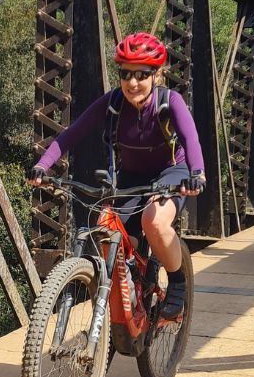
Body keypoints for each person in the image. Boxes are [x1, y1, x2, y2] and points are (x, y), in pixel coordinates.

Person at [27, 32, 205, 319]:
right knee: (111, 234)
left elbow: (191, 138)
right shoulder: (113, 103)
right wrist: (42, 166)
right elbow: (71, 135)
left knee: (154, 222)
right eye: (125, 74)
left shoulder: (169, 102)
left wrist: (197, 174)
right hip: (132, 176)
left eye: (141, 74)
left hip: (173, 171)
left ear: (156, 75)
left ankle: (177, 283)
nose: (132, 82)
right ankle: (130, 306)